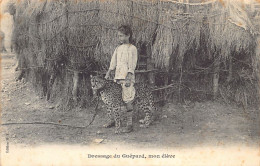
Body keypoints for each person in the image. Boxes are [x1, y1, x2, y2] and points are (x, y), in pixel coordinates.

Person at [105, 25, 138, 133]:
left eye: (122, 36)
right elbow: (113, 62)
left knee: (127, 99)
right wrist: (109, 72)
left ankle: (129, 124)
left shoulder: (132, 48)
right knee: (114, 100)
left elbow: (132, 64)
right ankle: (113, 120)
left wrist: (129, 78)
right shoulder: (118, 48)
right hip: (117, 77)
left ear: (128, 35)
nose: (120, 38)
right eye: (118, 36)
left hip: (127, 78)